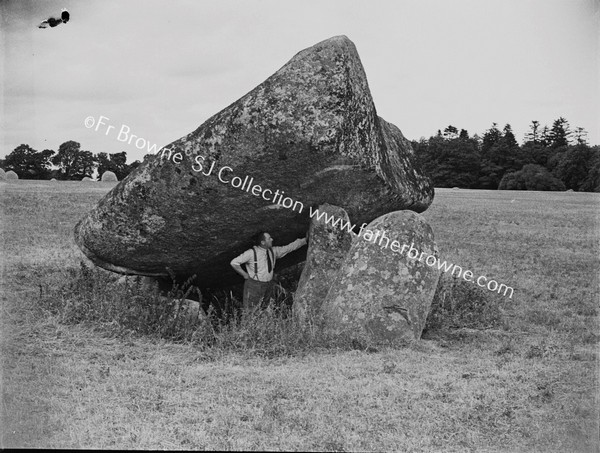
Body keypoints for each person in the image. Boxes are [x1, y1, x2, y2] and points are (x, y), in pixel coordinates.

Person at [230, 231, 308, 313]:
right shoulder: (251, 253)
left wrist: (305, 240)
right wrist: (245, 275)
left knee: (264, 308)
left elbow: (288, 248)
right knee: (250, 310)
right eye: (269, 238)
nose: (272, 239)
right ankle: (249, 324)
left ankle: (262, 324)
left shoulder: (273, 251)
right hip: (254, 285)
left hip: (268, 284)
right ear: (263, 242)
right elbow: (234, 262)